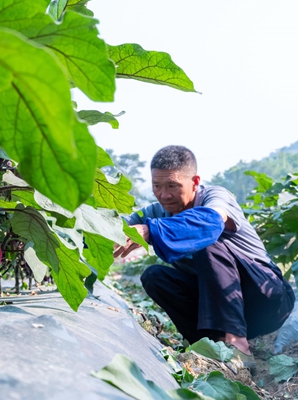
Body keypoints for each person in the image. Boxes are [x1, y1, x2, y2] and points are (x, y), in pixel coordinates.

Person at [115, 145, 295, 360]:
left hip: (266, 300)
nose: (164, 194)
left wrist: (151, 230)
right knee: (155, 276)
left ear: (195, 182)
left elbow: (209, 224)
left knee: (206, 241)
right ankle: (209, 345)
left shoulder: (216, 197)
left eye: (172, 185)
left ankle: (238, 346)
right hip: (221, 305)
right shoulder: (154, 212)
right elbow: (112, 227)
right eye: (157, 186)